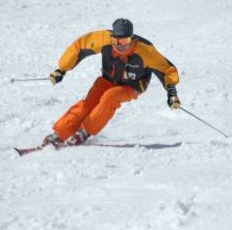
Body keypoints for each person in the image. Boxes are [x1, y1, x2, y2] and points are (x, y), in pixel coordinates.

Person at [44, 19, 181, 149]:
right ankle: (59, 134)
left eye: (124, 41)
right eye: (116, 41)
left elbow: (166, 69)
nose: (120, 45)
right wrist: (62, 69)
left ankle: (85, 132)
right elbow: (79, 46)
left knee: (109, 97)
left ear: (132, 39)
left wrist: (172, 93)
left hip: (130, 87)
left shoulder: (145, 51)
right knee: (88, 104)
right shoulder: (104, 39)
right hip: (107, 80)